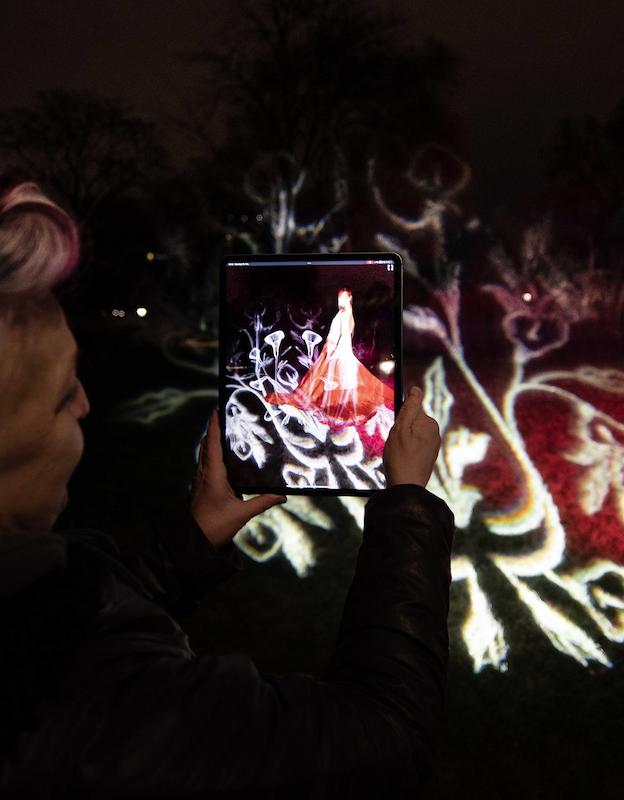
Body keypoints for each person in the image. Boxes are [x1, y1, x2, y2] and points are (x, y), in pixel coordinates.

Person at [0, 181, 454, 798]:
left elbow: (64, 617)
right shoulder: (97, 718)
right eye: (58, 396)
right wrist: (407, 504)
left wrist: (193, 537)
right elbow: (384, 740)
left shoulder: (33, 599)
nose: (84, 402)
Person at [265, 288, 395, 428]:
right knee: (334, 380)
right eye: (339, 298)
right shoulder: (344, 312)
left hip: (338, 350)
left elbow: (345, 335)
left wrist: (338, 352)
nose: (341, 301)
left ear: (349, 299)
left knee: (338, 380)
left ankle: (340, 409)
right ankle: (338, 408)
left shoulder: (345, 313)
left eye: (344, 298)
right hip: (334, 349)